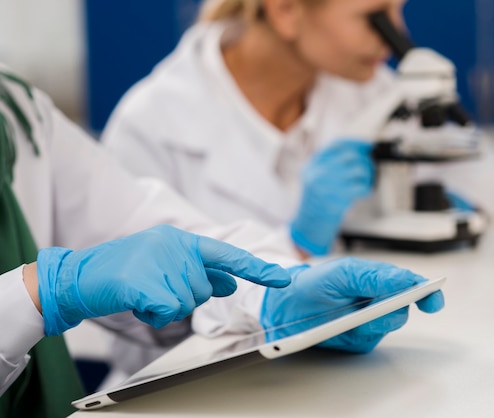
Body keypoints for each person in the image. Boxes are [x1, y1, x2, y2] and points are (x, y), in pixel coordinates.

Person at [0, 69, 444, 417]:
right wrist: (38, 293)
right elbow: (135, 323)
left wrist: (280, 293)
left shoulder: (17, 110)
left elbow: (148, 225)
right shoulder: (159, 110)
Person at [102, 0, 494, 258]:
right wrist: (295, 244)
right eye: (376, 17)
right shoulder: (151, 123)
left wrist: (437, 208)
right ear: (286, 11)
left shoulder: (363, 88)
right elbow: (140, 317)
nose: (396, 38)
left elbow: (485, 173)